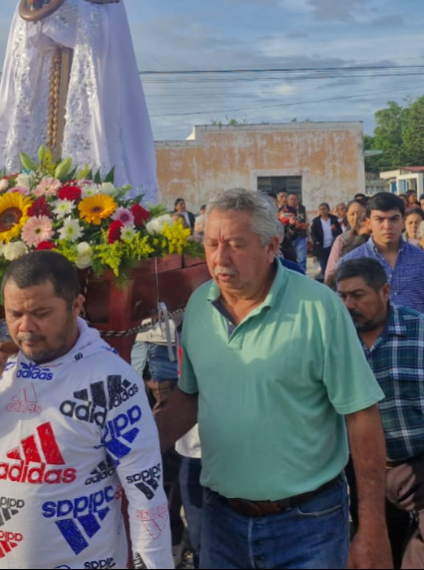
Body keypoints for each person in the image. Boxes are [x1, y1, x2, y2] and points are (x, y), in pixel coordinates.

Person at [155, 188, 390, 569]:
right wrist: (135, 451)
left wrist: (372, 527)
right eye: (211, 243)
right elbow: (190, 396)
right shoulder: (199, 306)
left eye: (235, 244)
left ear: (271, 247)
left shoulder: (319, 307)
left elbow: (361, 415)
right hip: (221, 521)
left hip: (308, 524)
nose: (219, 258)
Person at [0, 251, 171, 568]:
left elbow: (145, 494)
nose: (25, 328)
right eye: (14, 314)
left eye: (41, 313)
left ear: (76, 306)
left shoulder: (112, 382)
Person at [0, 0, 158, 202]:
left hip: (85, 73)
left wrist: (66, 6)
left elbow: (103, 28)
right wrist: (43, 12)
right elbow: (26, 33)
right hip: (46, 74)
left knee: (88, 136)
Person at [337, 257, 424, 569]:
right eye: (342, 296)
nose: (348, 305)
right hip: (365, 471)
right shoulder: (336, 340)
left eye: (358, 295)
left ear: (385, 291)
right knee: (379, 550)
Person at [342, 192, 424, 312]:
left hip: (415, 330)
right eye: (379, 219)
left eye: (394, 219)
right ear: (368, 222)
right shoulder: (351, 262)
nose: (387, 226)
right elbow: (341, 309)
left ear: (403, 220)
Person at [325, 200, 371, 288]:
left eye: (360, 213)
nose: (356, 217)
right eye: (352, 214)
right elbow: (331, 270)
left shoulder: (376, 240)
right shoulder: (342, 240)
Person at [311, 202, 343, 281]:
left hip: (332, 246)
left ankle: (331, 281)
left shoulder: (334, 219)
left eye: (324, 209)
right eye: (321, 209)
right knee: (323, 265)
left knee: (332, 265)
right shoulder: (316, 221)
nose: (322, 211)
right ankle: (325, 281)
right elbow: (313, 233)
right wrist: (316, 241)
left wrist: (335, 230)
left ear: (328, 210)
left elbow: (340, 232)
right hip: (321, 247)